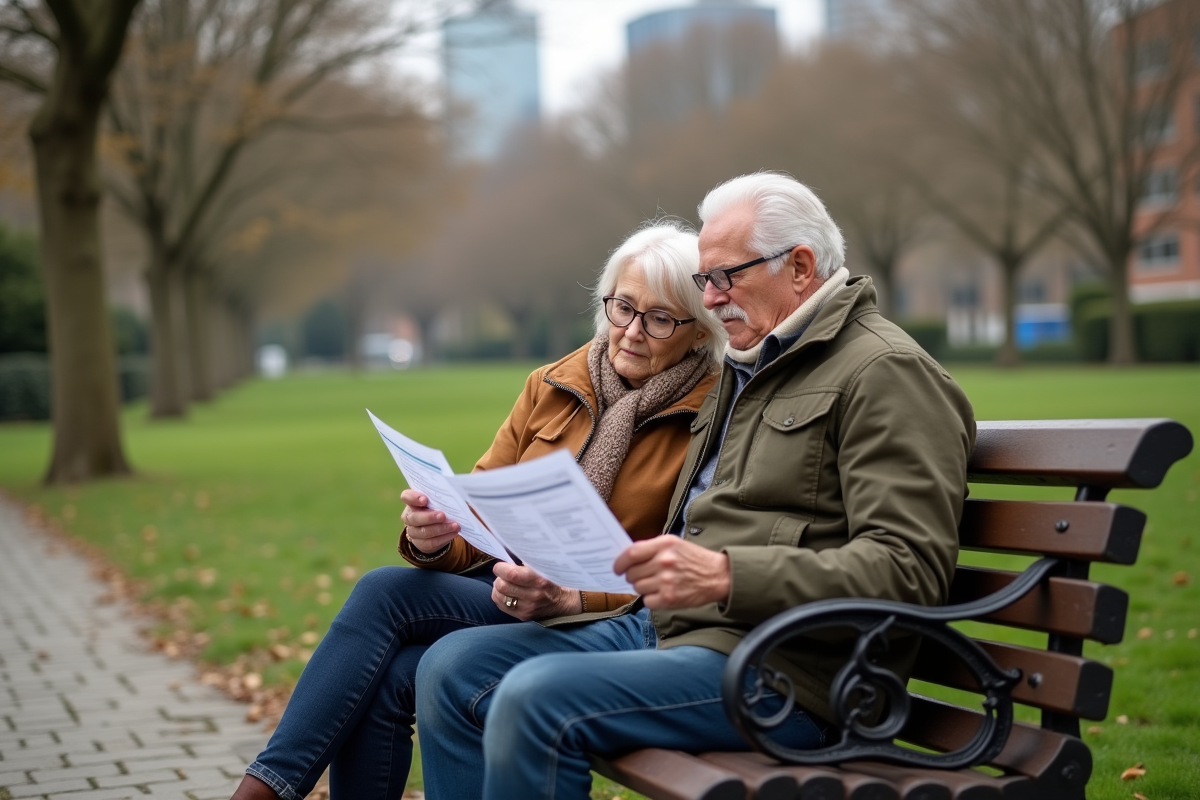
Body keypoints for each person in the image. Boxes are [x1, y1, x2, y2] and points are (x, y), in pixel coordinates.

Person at [413, 172, 977, 800]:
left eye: (724, 277)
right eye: (705, 280)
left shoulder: (884, 373)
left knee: (534, 699)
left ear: (799, 265)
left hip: (787, 672)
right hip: (671, 631)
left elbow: (911, 568)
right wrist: (576, 596)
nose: (709, 300)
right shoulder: (753, 364)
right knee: (450, 668)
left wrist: (728, 576)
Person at [228, 221, 724, 800]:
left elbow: (681, 565)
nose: (633, 331)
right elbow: (480, 505)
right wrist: (436, 537)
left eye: (660, 318)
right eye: (623, 308)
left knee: (389, 655)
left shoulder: (709, 415)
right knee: (385, 596)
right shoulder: (554, 383)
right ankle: (268, 788)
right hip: (508, 588)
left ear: (697, 332)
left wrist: (572, 595)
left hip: (602, 617)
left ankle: (261, 792)